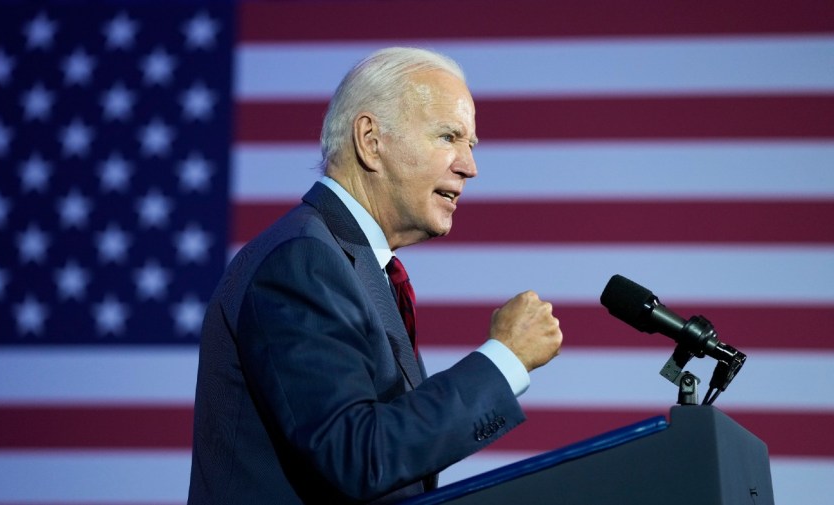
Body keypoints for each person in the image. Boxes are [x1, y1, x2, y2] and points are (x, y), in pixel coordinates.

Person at [187, 47, 563, 504]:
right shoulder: (302, 262)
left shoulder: (353, 263)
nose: (469, 166)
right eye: (449, 137)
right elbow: (358, 456)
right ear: (370, 139)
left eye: (471, 145)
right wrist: (504, 359)